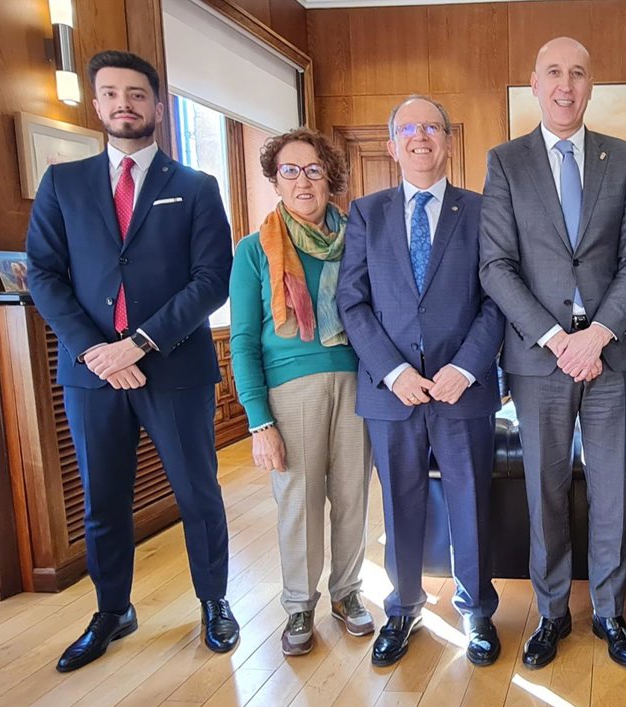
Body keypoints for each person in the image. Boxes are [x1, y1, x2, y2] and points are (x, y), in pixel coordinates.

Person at [26, 50, 238, 672]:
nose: (125, 104)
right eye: (113, 93)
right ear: (97, 104)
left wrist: (139, 343)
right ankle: (112, 610)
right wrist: (96, 350)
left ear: (157, 108)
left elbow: (211, 279)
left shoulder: (196, 186)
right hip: (92, 373)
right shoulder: (62, 184)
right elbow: (43, 274)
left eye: (137, 94)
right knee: (103, 500)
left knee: (198, 494)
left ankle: (214, 602)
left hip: (174, 368)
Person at [479, 37, 626, 671]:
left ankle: (609, 612)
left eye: (578, 73)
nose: (565, 84)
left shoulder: (621, 157)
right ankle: (552, 612)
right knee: (544, 491)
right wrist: (556, 339)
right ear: (535, 83)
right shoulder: (506, 162)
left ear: (590, 85)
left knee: (612, 492)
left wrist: (597, 334)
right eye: (553, 72)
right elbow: (496, 266)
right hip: (538, 358)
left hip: (610, 353)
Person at [339, 95, 505, 667]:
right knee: (400, 506)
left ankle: (477, 609)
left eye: (432, 127)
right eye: (408, 128)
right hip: (392, 394)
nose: (420, 136)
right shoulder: (367, 213)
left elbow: (497, 299)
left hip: (465, 389)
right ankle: (403, 608)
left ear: (448, 141)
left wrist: (465, 367)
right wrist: (394, 372)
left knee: (471, 504)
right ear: (392, 145)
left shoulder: (481, 210)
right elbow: (352, 302)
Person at [228, 127, 374, 656]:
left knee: (353, 497)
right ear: (275, 180)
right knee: (299, 502)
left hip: (359, 382)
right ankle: (298, 604)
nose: (303, 181)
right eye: (289, 171)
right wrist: (259, 421)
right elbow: (243, 340)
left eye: (314, 169)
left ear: (330, 177)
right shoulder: (254, 250)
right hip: (290, 391)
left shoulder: (358, 238)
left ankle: (348, 593)